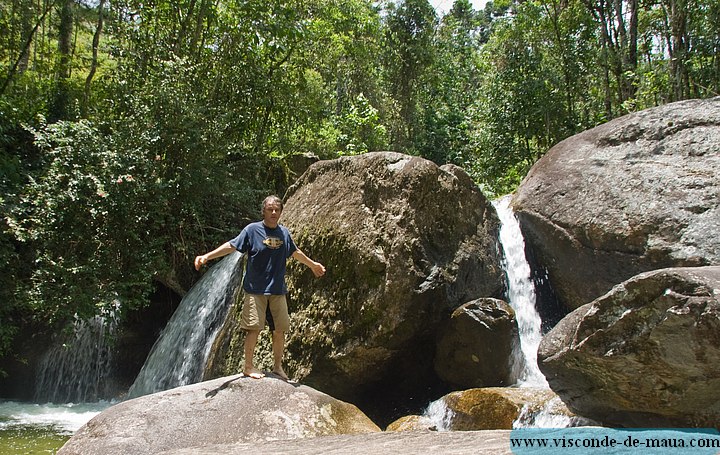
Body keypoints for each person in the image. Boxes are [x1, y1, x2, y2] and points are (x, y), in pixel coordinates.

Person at [194, 195, 325, 380]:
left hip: (278, 290)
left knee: (280, 329)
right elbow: (232, 245)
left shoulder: (284, 233)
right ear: (263, 211)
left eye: (276, 210)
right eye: (270, 209)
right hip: (256, 290)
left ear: (280, 212)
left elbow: (295, 252)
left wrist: (312, 265)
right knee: (253, 328)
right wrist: (207, 256)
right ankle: (248, 366)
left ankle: (278, 367)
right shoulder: (252, 230)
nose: (273, 212)